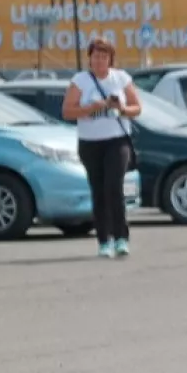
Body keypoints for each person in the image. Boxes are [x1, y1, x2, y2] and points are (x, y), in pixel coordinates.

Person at [61, 39, 141, 259]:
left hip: (117, 140)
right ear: (90, 58)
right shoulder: (80, 81)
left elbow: (137, 108)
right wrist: (90, 108)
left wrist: (122, 108)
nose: (99, 61)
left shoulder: (121, 78)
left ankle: (121, 238)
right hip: (90, 142)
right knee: (99, 190)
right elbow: (67, 111)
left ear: (110, 59)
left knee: (114, 187)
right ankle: (103, 240)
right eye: (95, 56)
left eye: (104, 57)